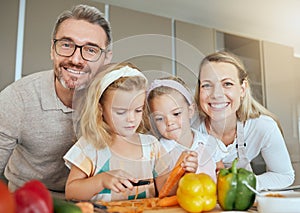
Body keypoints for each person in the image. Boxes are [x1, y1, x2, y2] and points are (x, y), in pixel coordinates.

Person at [0, 4, 112, 194]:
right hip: (28, 199)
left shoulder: (115, 99)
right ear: (52, 49)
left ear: (106, 58)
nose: (76, 59)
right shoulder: (17, 98)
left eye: (90, 50)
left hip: (91, 200)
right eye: (67, 45)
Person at [64, 62, 169, 201]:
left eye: (138, 110)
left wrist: (184, 171)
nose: (131, 119)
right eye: (121, 112)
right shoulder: (89, 146)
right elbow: (71, 192)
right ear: (100, 109)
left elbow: (166, 192)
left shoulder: (152, 146)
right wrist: (101, 181)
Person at [194, 51, 295, 190]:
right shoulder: (188, 128)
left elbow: (284, 175)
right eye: (206, 85)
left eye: (227, 84)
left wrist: (241, 184)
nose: (216, 94)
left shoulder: (263, 127)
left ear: (242, 89)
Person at [146, 76, 217, 182]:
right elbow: (163, 188)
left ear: (190, 111)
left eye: (176, 114)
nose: (169, 122)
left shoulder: (209, 142)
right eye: (159, 118)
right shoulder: (159, 151)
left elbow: (219, 171)